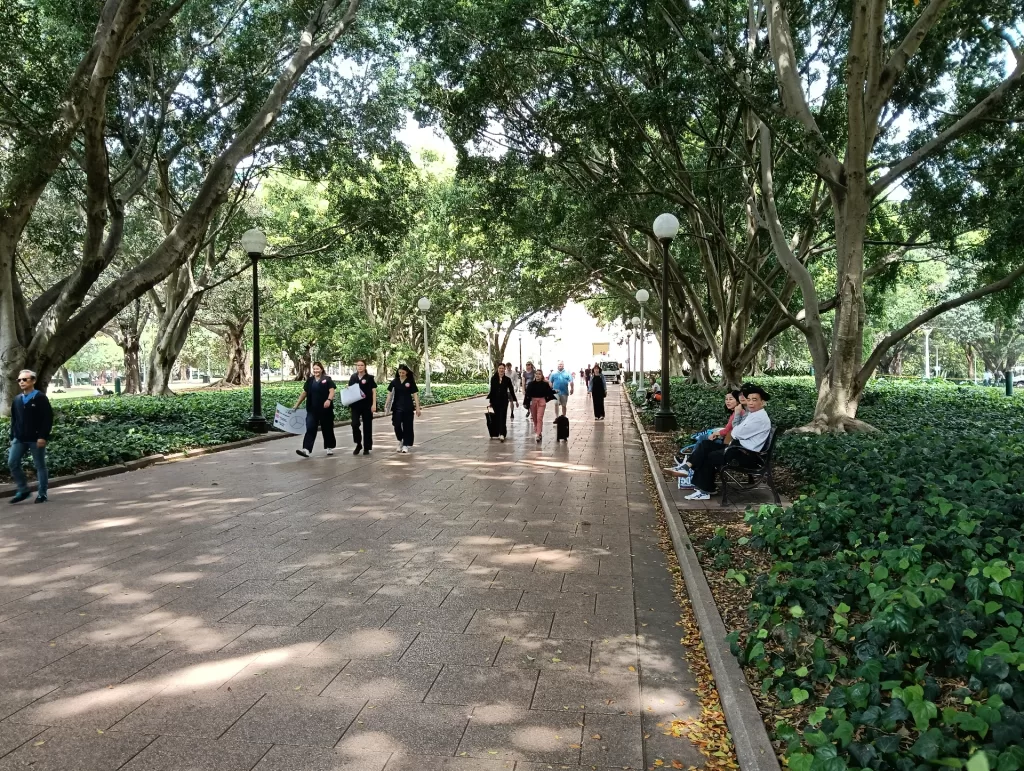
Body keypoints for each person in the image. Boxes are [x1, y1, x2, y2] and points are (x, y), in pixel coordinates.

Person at [666, 385, 772, 501]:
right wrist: (736, 429)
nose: (751, 403)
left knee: (710, 456)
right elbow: (736, 430)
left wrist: (736, 428)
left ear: (762, 402)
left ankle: (704, 490)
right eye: (749, 399)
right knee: (706, 445)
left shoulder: (759, 418)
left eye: (755, 400)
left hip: (748, 455)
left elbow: (736, 433)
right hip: (739, 448)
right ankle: (686, 468)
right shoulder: (753, 414)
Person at [9, 370, 52, 504]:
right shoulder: (17, 399)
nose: (21, 382)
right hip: (19, 439)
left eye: (25, 379)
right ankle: (23, 490)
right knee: (12, 463)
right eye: (19, 380)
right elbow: (14, 420)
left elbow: (47, 418)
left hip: (36, 439)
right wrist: (12, 437)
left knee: (40, 465)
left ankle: (42, 494)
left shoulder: (40, 397)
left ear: (33, 381)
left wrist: (42, 436)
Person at [294, 362, 336, 458]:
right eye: (314, 369)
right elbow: (304, 393)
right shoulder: (310, 380)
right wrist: (296, 405)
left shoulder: (327, 379)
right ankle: (306, 449)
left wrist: (329, 400)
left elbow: (332, 390)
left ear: (321, 369)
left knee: (327, 429)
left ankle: (329, 447)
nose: (316, 371)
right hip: (312, 410)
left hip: (326, 410)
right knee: (310, 428)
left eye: (317, 369)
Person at [385, 364, 422, 453]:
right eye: (400, 372)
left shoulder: (410, 382)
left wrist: (417, 408)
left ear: (406, 373)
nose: (401, 374)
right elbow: (390, 393)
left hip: (408, 407)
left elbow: (415, 395)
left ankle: (405, 444)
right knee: (396, 424)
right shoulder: (394, 381)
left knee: (407, 426)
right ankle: (400, 440)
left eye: (403, 372)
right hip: (397, 407)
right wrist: (386, 404)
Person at [348, 359, 377, 456]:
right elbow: (351, 389)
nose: (359, 367)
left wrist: (374, 404)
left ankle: (367, 447)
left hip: (367, 405)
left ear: (365, 366)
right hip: (356, 405)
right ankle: (358, 443)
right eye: (358, 365)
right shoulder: (353, 377)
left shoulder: (369, 378)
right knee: (354, 424)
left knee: (367, 426)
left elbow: (373, 391)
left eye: (361, 365)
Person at [487, 364, 519, 442]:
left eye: (502, 368)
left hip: (504, 401)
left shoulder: (507, 379)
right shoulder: (493, 378)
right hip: (495, 401)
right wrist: (490, 401)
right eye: (500, 368)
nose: (501, 370)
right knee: (498, 417)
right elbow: (492, 390)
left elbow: (511, 390)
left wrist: (515, 400)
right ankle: (500, 432)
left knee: (503, 416)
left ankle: (502, 434)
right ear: (497, 369)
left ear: (504, 370)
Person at [524, 370, 556, 442]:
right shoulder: (531, 384)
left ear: (542, 376)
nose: (537, 375)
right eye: (536, 374)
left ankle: (538, 434)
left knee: (539, 418)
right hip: (533, 402)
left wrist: (554, 391)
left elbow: (549, 392)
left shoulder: (544, 384)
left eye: (539, 374)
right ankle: (538, 431)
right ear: (535, 375)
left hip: (541, 401)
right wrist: (526, 403)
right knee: (534, 418)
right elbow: (527, 394)